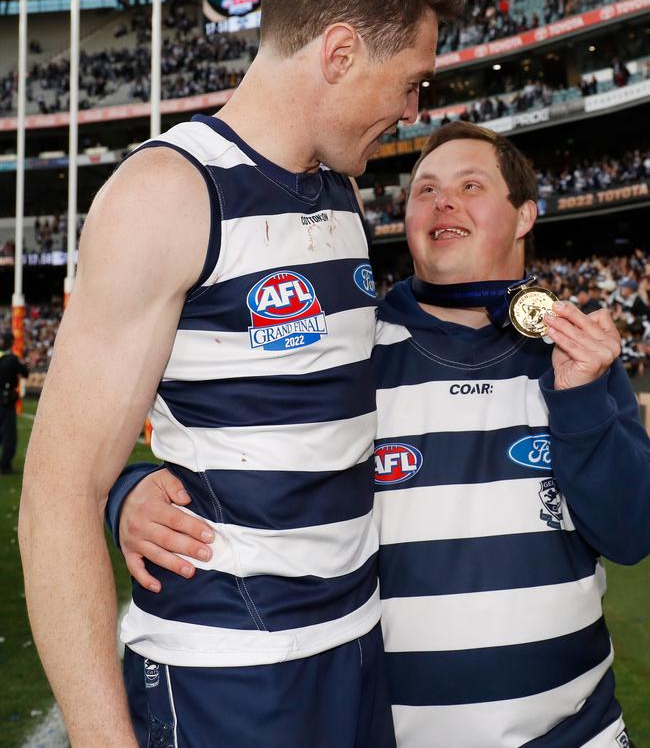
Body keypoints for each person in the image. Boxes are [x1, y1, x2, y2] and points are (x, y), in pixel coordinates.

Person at [18, 0, 463, 748]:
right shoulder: (169, 192)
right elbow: (55, 497)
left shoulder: (341, 194)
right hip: (229, 675)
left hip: (358, 650)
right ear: (338, 53)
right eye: (410, 79)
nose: (413, 105)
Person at [116, 122, 650, 747]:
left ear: (525, 214)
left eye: (470, 185)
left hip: (575, 733)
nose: (443, 201)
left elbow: (632, 532)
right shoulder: (350, 349)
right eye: (425, 190)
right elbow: (230, 455)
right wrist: (130, 491)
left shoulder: (575, 352)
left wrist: (583, 398)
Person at [0, 331, 29, 475]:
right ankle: (5, 464)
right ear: (11, 343)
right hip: (7, 402)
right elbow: (25, 373)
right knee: (9, 435)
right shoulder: (12, 359)